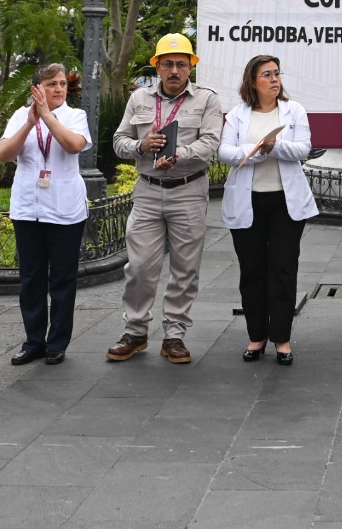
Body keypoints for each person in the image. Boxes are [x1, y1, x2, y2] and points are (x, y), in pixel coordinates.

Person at [108, 33, 223, 365]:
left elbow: (210, 142)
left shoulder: (206, 99)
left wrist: (178, 155)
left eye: (181, 64)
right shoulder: (139, 99)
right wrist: (140, 146)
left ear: (190, 67)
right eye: (168, 64)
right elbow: (119, 141)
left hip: (188, 190)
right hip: (147, 191)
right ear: (157, 66)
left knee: (185, 269)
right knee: (139, 267)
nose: (175, 70)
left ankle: (174, 335)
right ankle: (135, 332)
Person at [218, 55, 317, 366]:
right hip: (248, 202)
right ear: (253, 81)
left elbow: (303, 147)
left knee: (283, 270)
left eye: (277, 73)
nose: (274, 79)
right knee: (252, 271)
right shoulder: (238, 114)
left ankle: (282, 338)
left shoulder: (294, 110)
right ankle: (257, 336)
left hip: (285, 204)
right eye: (266, 74)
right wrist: (255, 152)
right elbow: (223, 151)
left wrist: (276, 147)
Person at [0, 63, 91, 366]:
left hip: (65, 210)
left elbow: (74, 146)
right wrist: (29, 123)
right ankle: (34, 342)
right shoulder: (19, 116)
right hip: (28, 208)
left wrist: (47, 117)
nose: (59, 89)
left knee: (62, 279)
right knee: (31, 278)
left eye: (62, 83)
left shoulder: (75, 116)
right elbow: (4, 154)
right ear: (37, 89)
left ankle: (57, 343)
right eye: (51, 84)